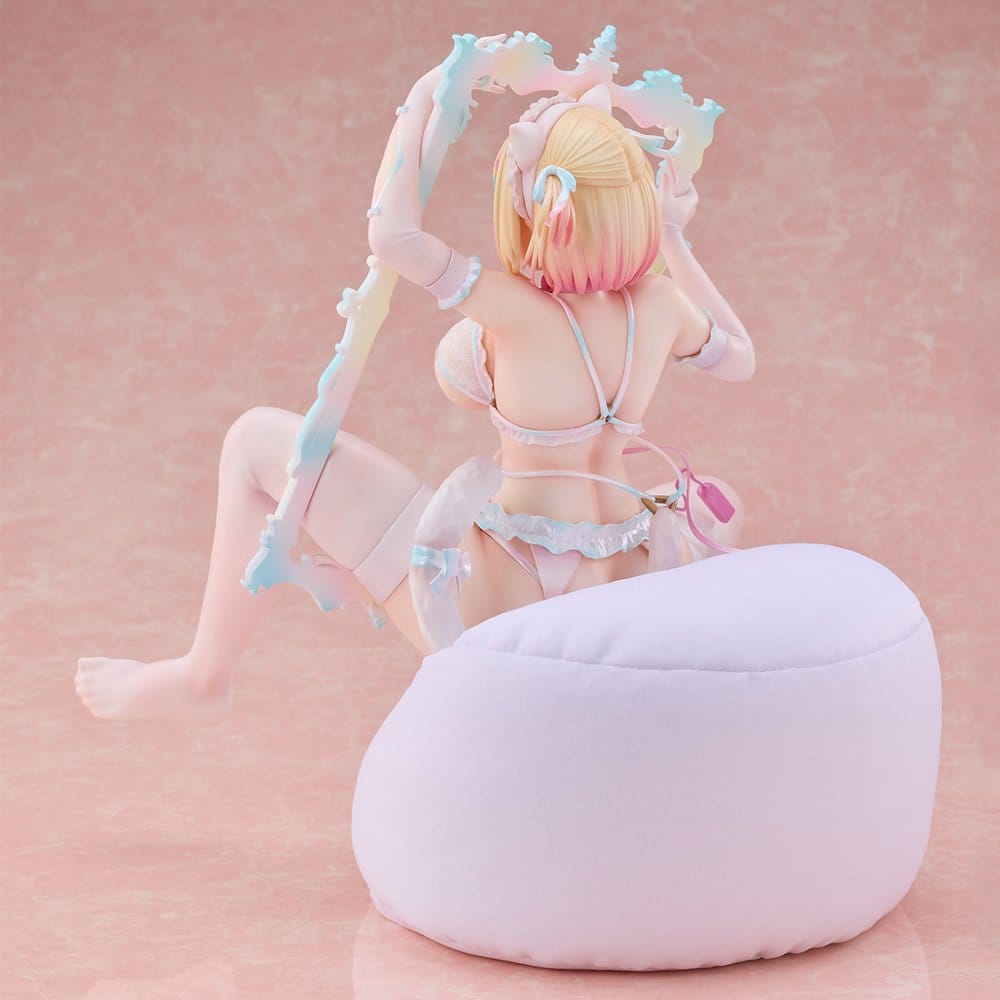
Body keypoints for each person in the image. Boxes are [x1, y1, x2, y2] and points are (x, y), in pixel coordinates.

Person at [74, 55, 754, 724]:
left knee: (254, 442)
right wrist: (674, 237)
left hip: (499, 606)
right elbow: (739, 360)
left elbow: (393, 235)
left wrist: (425, 98)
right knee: (705, 503)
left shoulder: (512, 308)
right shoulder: (660, 305)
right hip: (621, 593)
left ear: (534, 206)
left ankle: (204, 676)